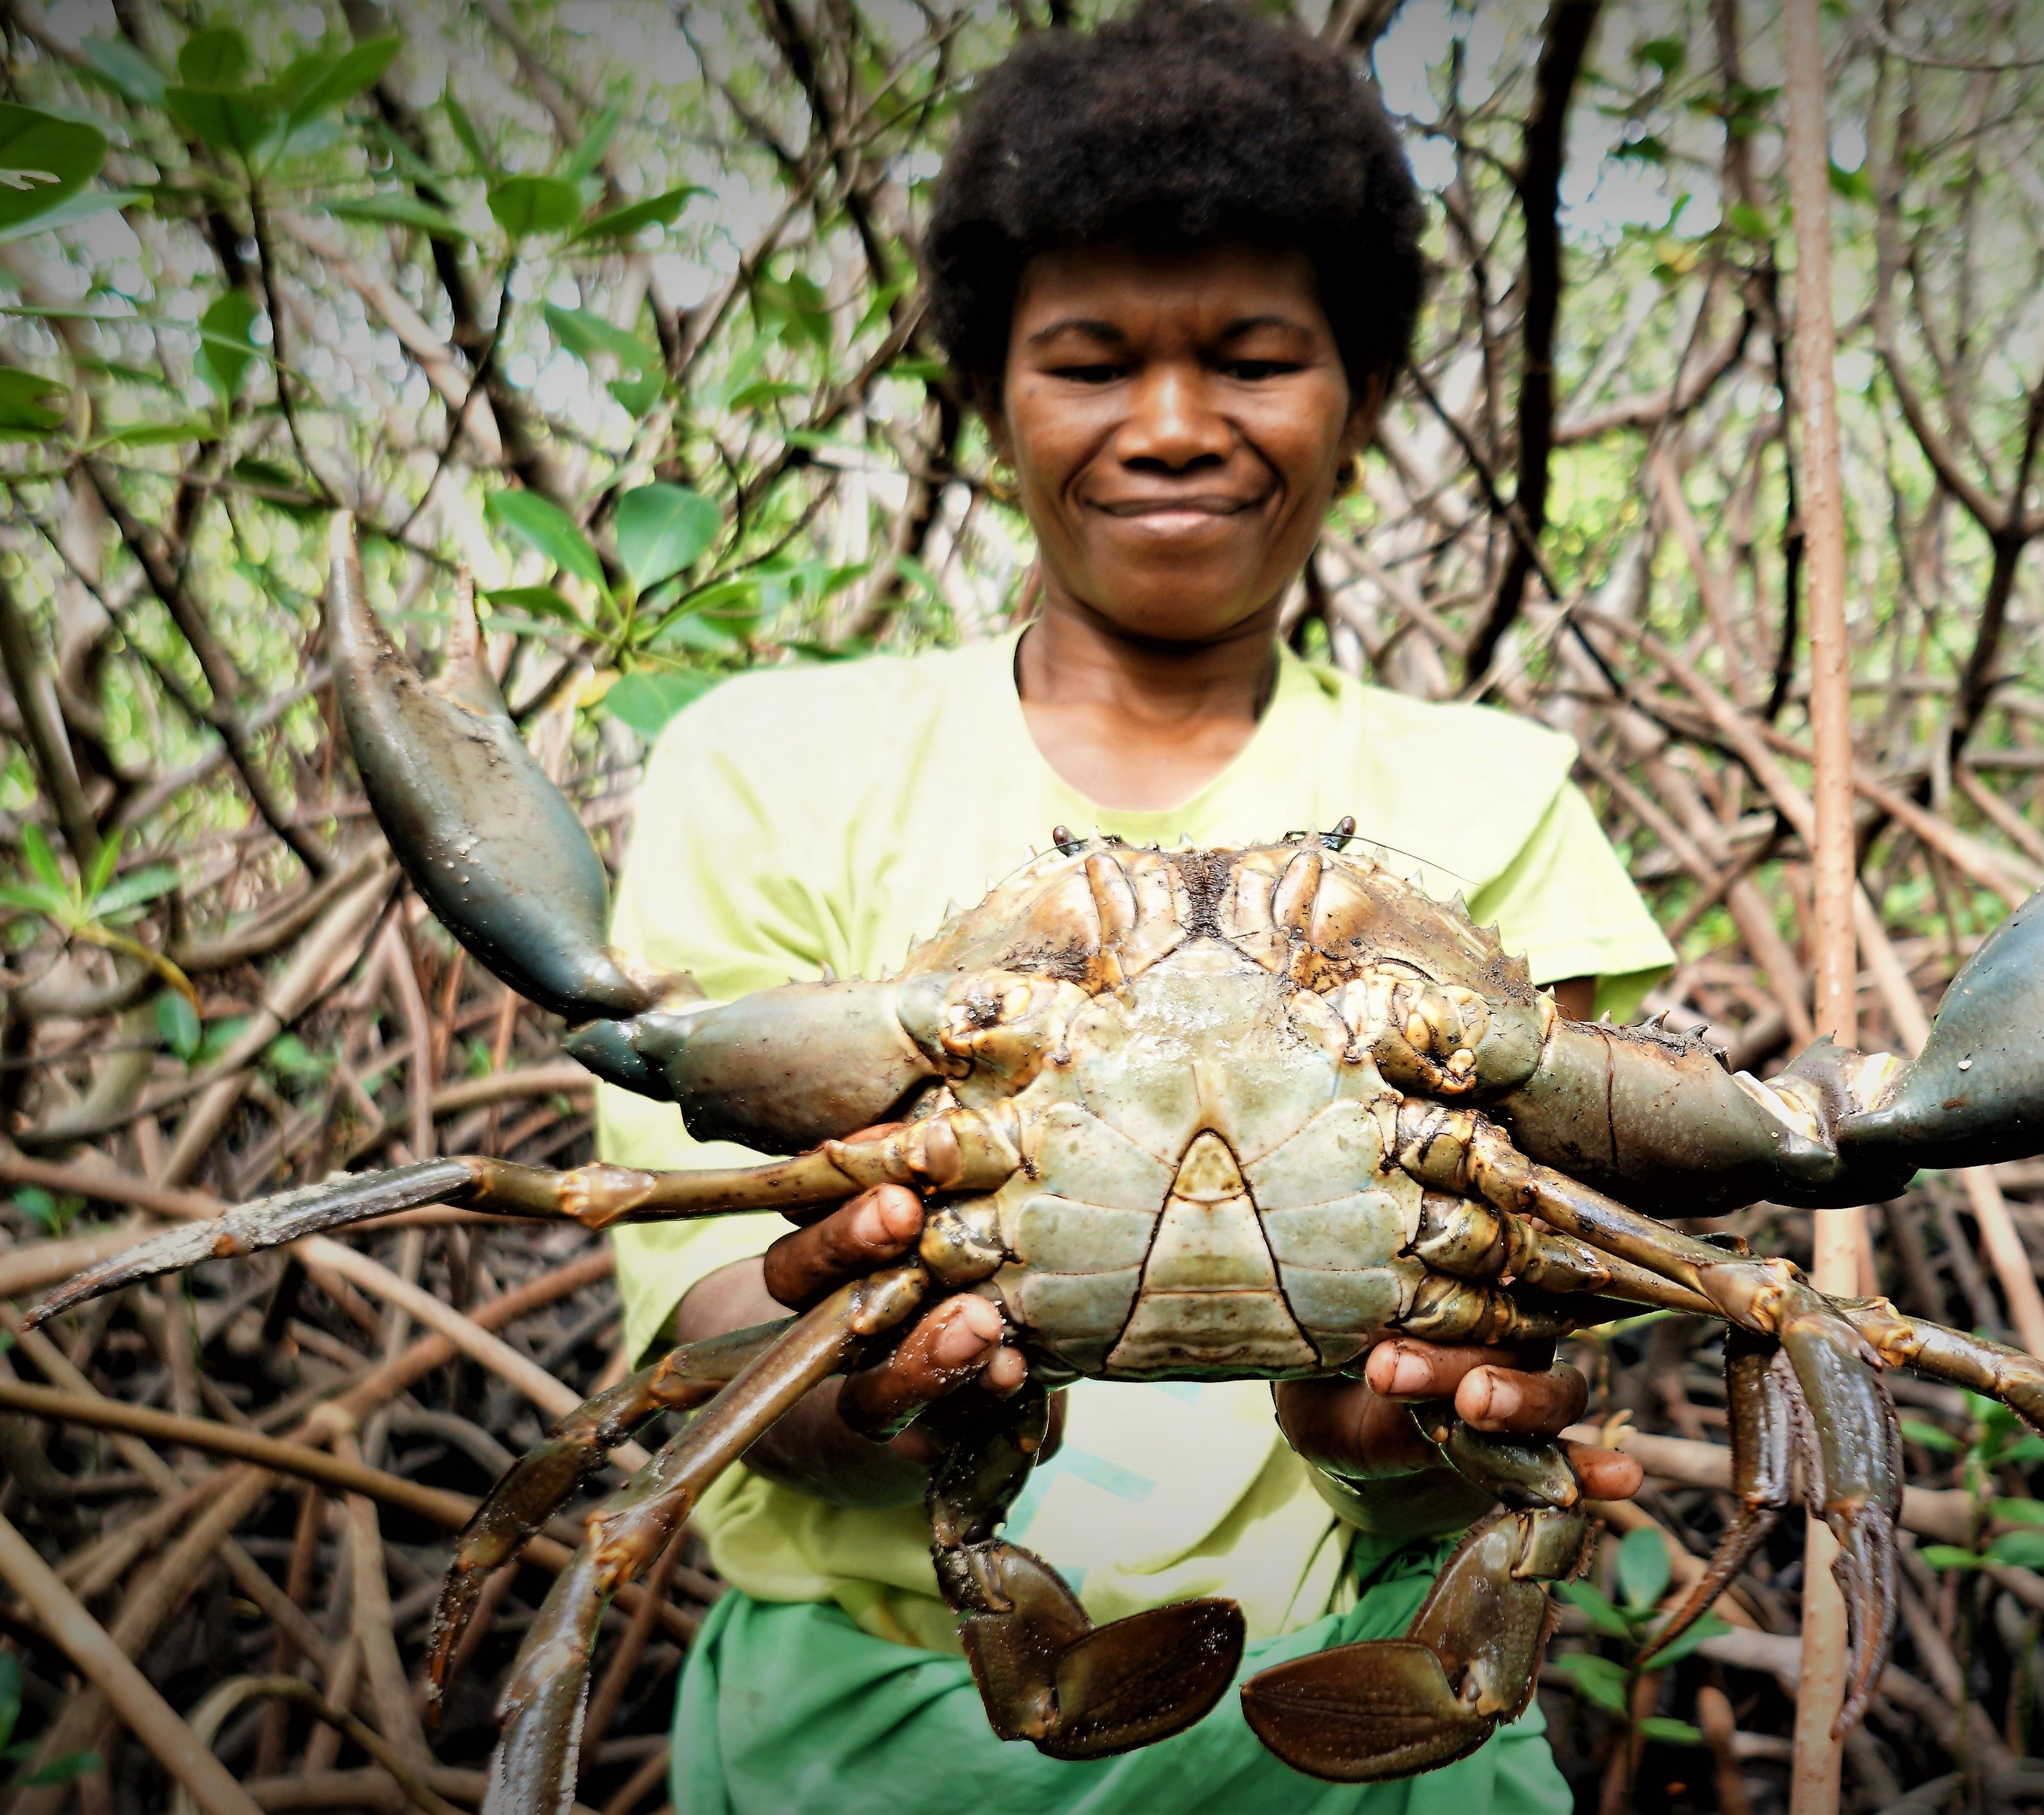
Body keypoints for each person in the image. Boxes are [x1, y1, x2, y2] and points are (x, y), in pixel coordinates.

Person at [595, 7, 1677, 1809]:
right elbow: (699, 1344)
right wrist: (866, 1370)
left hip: (1386, 1713)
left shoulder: (1492, 809)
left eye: (1252, 356)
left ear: (1362, 390)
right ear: (989, 388)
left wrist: (1402, 1440)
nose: (1174, 427)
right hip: (873, 1742)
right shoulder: (767, 766)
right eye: (1093, 359)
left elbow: (1553, 1316)